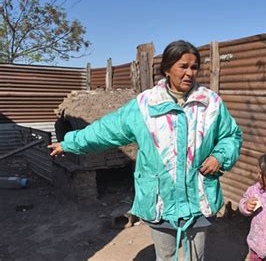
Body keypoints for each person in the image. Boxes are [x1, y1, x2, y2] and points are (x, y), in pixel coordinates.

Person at [48, 40, 243, 261]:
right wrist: (69, 143)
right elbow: (106, 130)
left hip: (198, 198)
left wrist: (220, 156)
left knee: (195, 258)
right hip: (159, 200)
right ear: (167, 69)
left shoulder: (211, 103)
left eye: (194, 67)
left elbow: (231, 136)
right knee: (165, 256)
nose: (190, 73)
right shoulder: (145, 105)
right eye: (183, 66)